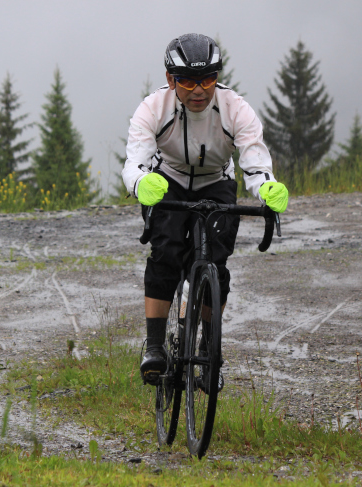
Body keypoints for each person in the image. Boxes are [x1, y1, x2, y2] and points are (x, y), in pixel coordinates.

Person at [121, 33, 288, 387]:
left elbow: (255, 161)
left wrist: (266, 187)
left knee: (216, 264)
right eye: (188, 81)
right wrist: (140, 185)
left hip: (216, 180)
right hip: (168, 179)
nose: (199, 90)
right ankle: (154, 347)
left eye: (208, 78)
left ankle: (211, 349)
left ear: (217, 76)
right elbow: (134, 162)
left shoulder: (235, 108)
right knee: (165, 253)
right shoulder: (153, 107)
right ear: (171, 80)